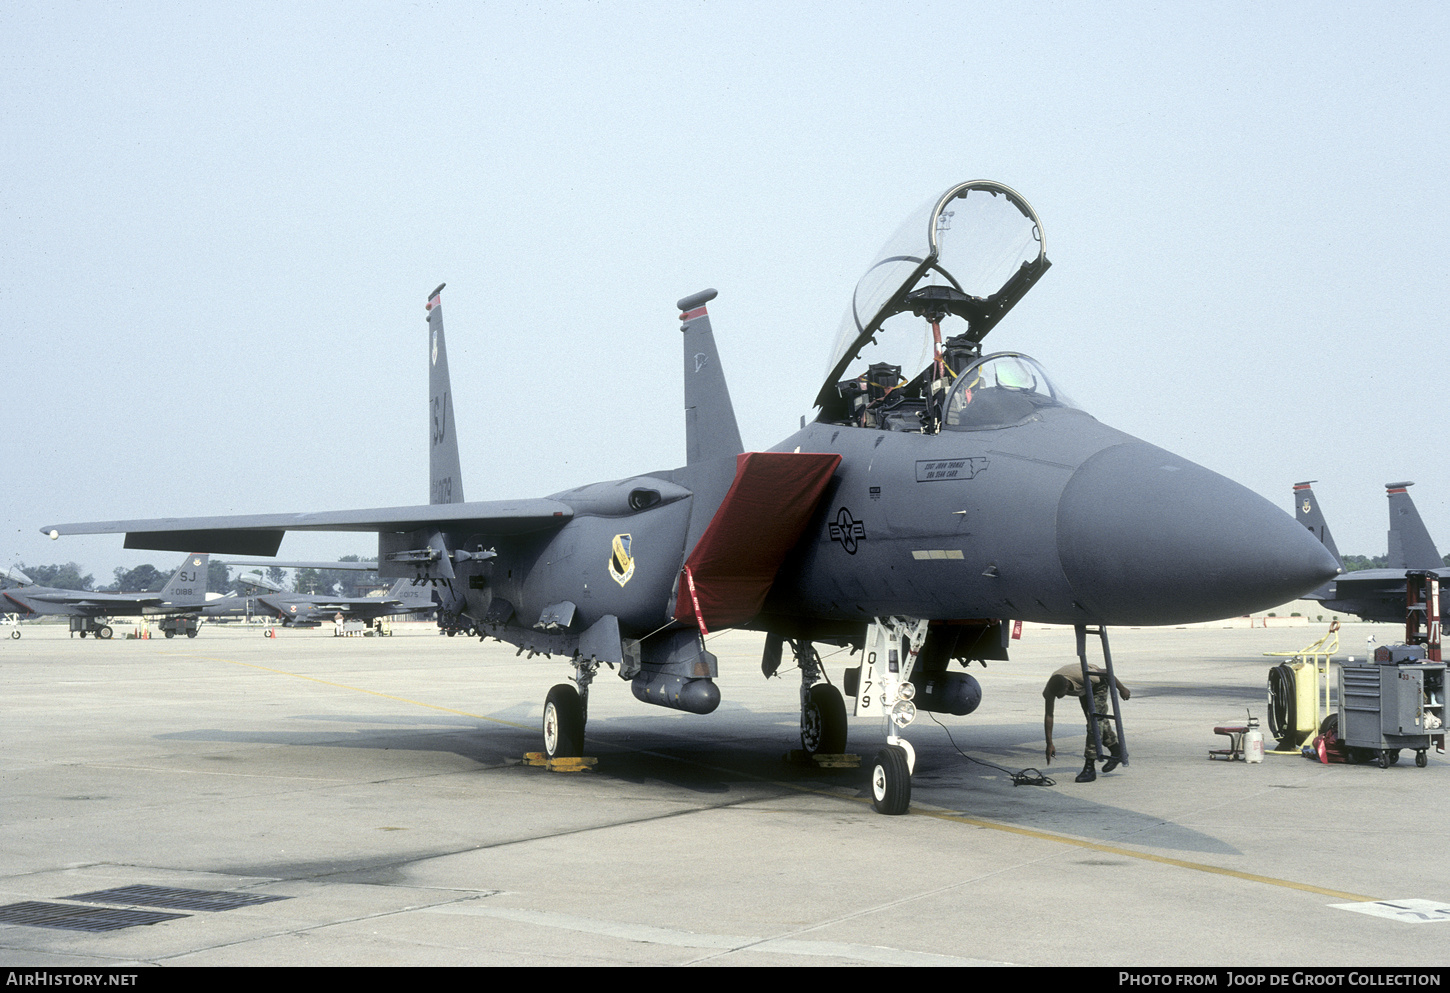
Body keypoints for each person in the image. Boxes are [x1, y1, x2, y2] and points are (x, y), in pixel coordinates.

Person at [1043, 663, 1130, 783]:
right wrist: (1049, 743)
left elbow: (1106, 672)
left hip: (1097, 683)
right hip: (1084, 688)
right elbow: (1049, 715)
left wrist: (1122, 689)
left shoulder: (1084, 677)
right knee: (1096, 721)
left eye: (1060, 694)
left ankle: (1089, 767)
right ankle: (1117, 750)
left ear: (1067, 686)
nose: (1057, 697)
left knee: (1094, 724)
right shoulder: (1051, 688)